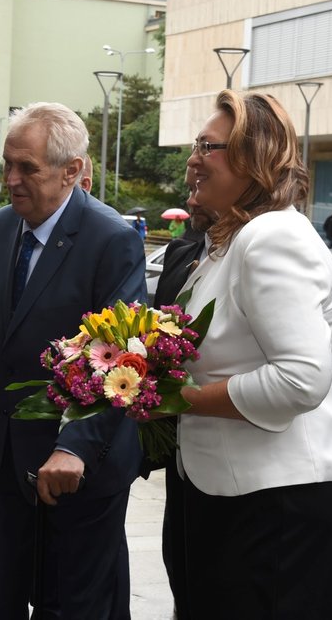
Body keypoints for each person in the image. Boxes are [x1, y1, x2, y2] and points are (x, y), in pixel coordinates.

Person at [176, 90, 332, 619]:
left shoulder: (272, 236)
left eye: (207, 147)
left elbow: (302, 379)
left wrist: (179, 400)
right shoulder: (229, 241)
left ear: (251, 158)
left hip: (281, 498)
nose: (193, 158)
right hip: (239, 490)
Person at [0, 102, 145, 619]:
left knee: (75, 604)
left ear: (72, 171)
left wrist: (74, 447)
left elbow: (125, 362)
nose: (12, 180)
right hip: (10, 456)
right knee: (4, 593)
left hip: (80, 466)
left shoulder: (112, 240)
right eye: (7, 165)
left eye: (27, 169)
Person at [152, 167, 214, 620]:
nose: (191, 200)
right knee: (179, 550)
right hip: (179, 435)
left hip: (211, 421)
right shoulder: (183, 249)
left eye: (199, 191)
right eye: (190, 190)